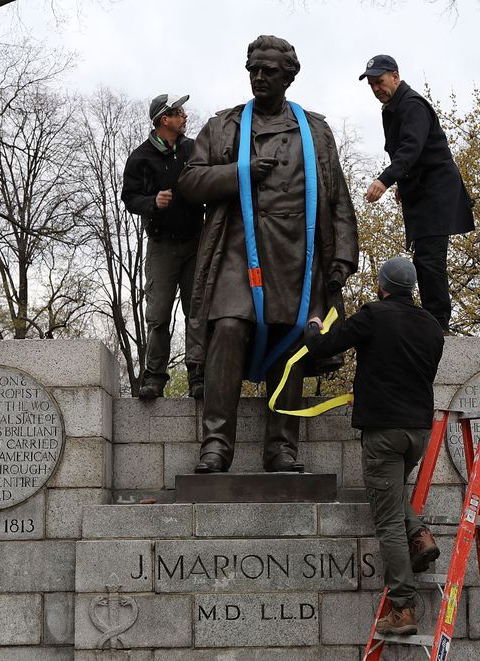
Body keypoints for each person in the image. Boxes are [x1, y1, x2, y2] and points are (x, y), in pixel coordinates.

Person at [179, 35, 358, 474]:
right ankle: (216, 444)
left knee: (289, 339)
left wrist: (342, 259)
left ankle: (281, 448)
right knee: (228, 328)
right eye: (254, 69)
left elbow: (337, 196)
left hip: (297, 254)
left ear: (288, 77)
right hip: (237, 249)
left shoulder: (314, 130)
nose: (260, 77)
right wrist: (239, 172)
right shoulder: (225, 126)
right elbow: (189, 182)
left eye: (270, 71)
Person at [303, 255, 444, 636]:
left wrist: (313, 328)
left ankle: (403, 608)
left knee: (387, 522)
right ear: (411, 289)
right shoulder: (431, 325)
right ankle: (420, 534)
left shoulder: (374, 314)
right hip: (418, 431)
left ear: (382, 286)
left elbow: (326, 346)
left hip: (383, 431)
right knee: (394, 492)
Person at [360, 55, 474, 333]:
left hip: (436, 192)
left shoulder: (411, 105)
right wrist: (404, 183)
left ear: (395, 76)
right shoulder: (392, 108)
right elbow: (410, 154)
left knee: (430, 259)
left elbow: (411, 148)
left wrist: (386, 180)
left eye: (381, 81)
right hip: (423, 190)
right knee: (424, 257)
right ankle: (433, 320)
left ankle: (438, 325)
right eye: (372, 84)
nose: (377, 88)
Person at [121, 93, 205, 400]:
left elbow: (210, 176)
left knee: (197, 311)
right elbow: (129, 197)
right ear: (164, 120)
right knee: (157, 315)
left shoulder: (193, 148)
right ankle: (154, 377)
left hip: (196, 243)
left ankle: (199, 376)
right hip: (161, 247)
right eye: (179, 112)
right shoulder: (140, 157)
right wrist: (152, 202)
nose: (184, 116)